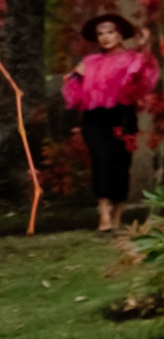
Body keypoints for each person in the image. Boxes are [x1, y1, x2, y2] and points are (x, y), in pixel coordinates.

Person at [62, 13, 157, 231]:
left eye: (110, 32)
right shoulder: (89, 61)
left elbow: (142, 81)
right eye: (100, 33)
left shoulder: (132, 58)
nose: (105, 37)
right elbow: (75, 97)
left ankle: (117, 214)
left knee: (121, 166)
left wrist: (144, 49)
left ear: (120, 34)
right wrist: (75, 77)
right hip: (94, 120)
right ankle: (104, 214)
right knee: (101, 161)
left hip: (122, 118)